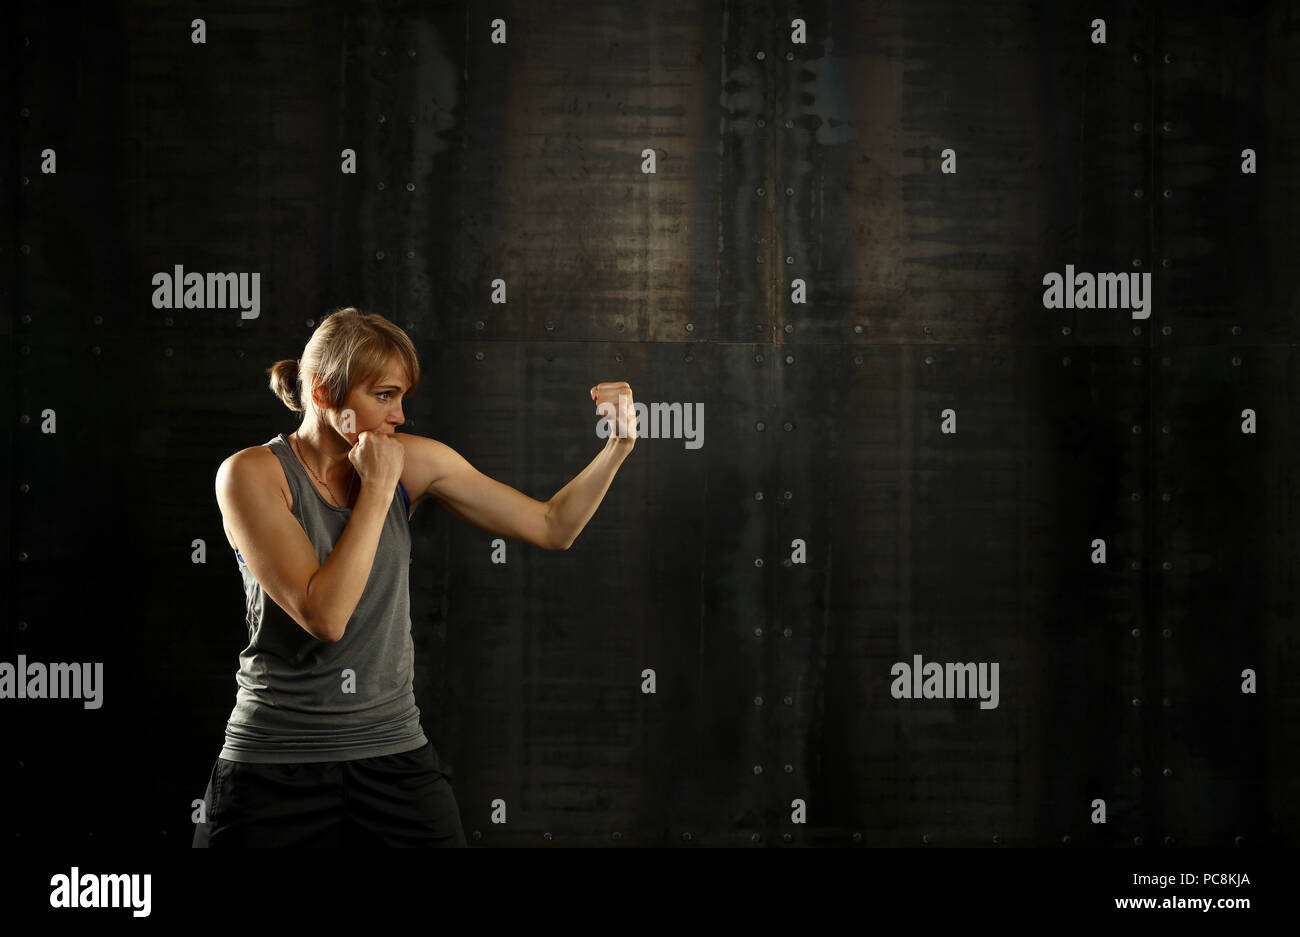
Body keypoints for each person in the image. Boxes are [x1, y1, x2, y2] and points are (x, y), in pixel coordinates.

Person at [193, 306, 637, 847]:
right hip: (275, 763)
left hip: (392, 753)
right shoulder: (251, 474)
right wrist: (379, 490)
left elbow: (552, 526)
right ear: (323, 392)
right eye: (383, 396)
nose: (399, 415)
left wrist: (617, 448)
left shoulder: (414, 461)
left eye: (402, 397)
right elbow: (325, 615)